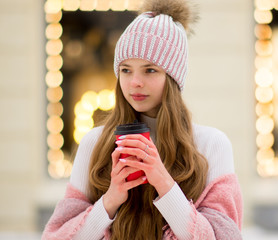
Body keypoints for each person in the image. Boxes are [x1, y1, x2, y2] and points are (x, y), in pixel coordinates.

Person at [42, 0, 243, 239]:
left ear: (173, 78)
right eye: (126, 70)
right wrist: (109, 201)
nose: (135, 82)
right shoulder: (94, 143)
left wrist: (164, 184)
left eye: (150, 70)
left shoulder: (211, 145)